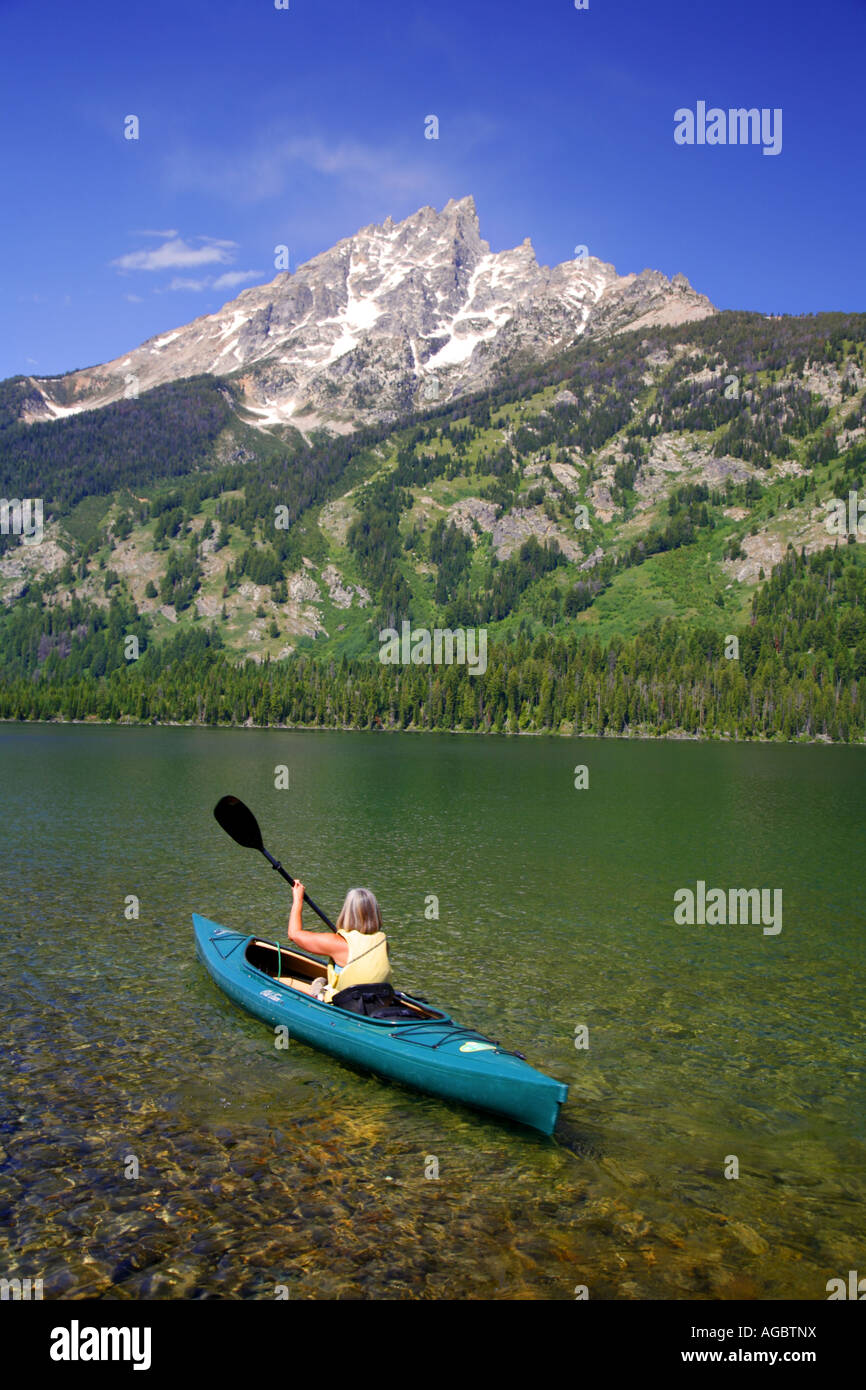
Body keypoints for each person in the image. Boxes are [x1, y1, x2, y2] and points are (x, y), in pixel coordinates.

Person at [287, 882, 391, 1002]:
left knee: (307, 988)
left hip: (346, 1004)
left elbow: (293, 934)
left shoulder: (337, 944)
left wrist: (298, 899)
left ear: (347, 913)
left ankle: (319, 992)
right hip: (376, 1002)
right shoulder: (383, 944)